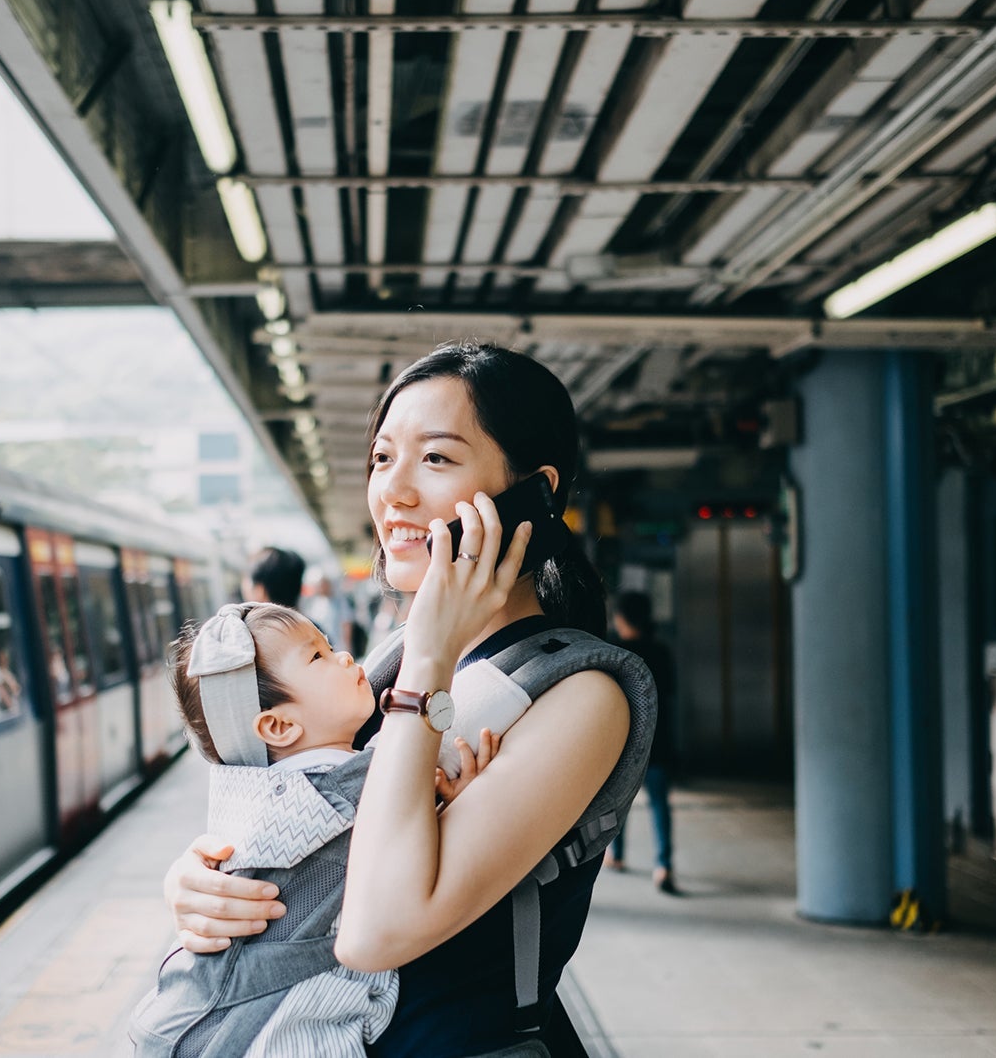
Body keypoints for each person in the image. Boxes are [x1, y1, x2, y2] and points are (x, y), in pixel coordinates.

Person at [164, 342, 659, 1058]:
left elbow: (374, 932)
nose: (392, 492)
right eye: (381, 458)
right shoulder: (387, 661)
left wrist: (429, 655)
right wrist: (206, 879)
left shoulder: (582, 694)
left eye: (435, 459)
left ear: (535, 492)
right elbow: (302, 810)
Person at [129, 601, 500, 1057]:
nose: (344, 657)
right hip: (275, 1037)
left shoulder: (247, 795)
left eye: (328, 644)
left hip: (208, 1025)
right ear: (279, 725)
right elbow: (405, 850)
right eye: (318, 657)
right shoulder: (350, 787)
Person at [603, 591, 680, 895]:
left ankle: (617, 855)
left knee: (618, 801)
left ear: (620, 618)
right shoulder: (661, 651)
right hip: (658, 741)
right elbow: (670, 695)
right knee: (660, 804)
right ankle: (664, 865)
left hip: (623, 743)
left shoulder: (615, 652)